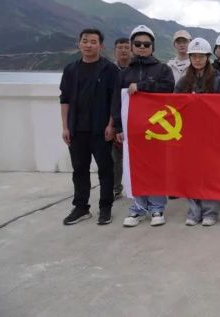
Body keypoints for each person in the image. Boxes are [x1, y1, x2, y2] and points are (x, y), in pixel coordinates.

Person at [112, 25, 175, 227]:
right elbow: (117, 101)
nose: (142, 47)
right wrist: (118, 127)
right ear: (131, 46)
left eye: (146, 44)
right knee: (135, 167)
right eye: (138, 44)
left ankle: (157, 207)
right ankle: (138, 207)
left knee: (156, 167)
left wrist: (142, 86)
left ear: (152, 47)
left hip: (156, 130)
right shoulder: (124, 73)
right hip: (133, 129)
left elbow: (168, 89)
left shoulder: (163, 69)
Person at [59, 29, 119, 226]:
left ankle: (105, 207)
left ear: (100, 46)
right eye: (85, 41)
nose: (88, 45)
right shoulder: (70, 69)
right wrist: (65, 127)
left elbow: (114, 100)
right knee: (79, 170)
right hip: (76, 129)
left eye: (93, 42)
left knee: (105, 169)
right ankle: (81, 207)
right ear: (79, 43)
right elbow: (65, 99)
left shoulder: (110, 69)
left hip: (101, 129)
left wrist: (111, 124)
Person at [175, 38, 220, 226]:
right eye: (194, 56)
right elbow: (174, 105)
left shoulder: (216, 79)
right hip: (189, 134)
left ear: (207, 57)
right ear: (189, 57)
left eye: (201, 56)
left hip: (211, 134)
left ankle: (210, 212)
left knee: (210, 173)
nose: (197, 59)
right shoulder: (183, 81)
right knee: (192, 173)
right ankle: (193, 211)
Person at [111, 37, 131, 200]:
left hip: (132, 119)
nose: (123, 50)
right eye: (120, 47)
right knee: (115, 158)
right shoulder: (109, 70)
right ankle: (115, 188)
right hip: (113, 119)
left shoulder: (136, 69)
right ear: (115, 50)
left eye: (126, 47)